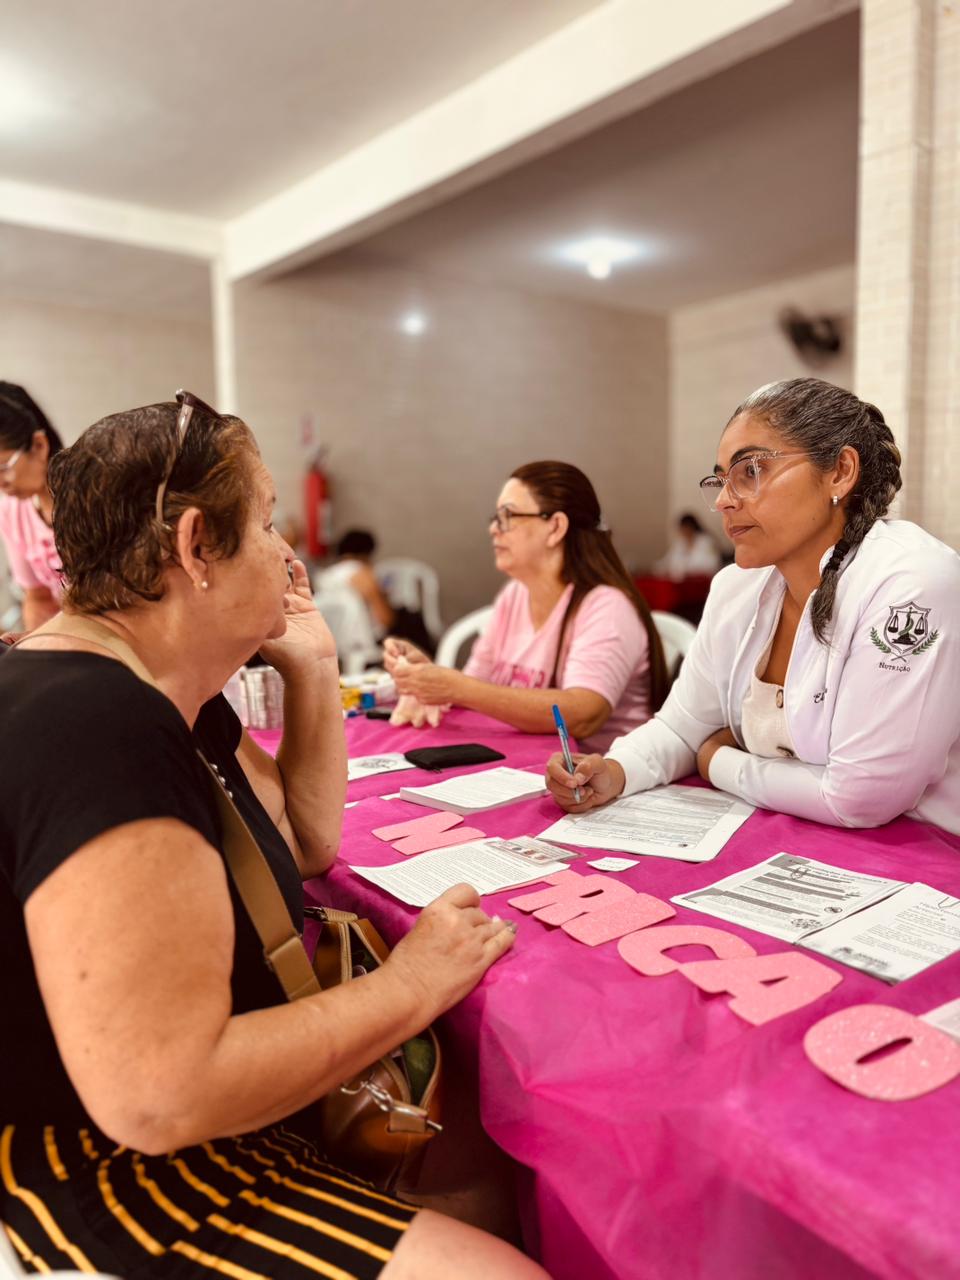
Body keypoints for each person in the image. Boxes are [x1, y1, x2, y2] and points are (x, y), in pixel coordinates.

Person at [0, 393, 548, 1280]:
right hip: (89, 1162)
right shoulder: (103, 727)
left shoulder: (156, 692)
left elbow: (302, 848)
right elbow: (159, 1100)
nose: (289, 555)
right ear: (195, 548)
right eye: (263, 523)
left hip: (147, 1120)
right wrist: (409, 988)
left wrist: (315, 666)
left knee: (482, 1176)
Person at [546, 378, 960, 835]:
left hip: (925, 854)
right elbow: (683, 727)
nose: (723, 501)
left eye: (750, 471)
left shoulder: (911, 583)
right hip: (791, 834)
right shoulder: (736, 587)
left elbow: (861, 798)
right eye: (720, 479)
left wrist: (718, 760)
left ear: (840, 471)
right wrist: (615, 771)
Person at [384, 461, 668, 752]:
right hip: (524, 764)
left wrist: (456, 686)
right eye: (495, 518)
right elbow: (477, 689)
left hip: (599, 779)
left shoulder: (607, 607)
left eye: (507, 516)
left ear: (555, 527)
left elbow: (583, 715)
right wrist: (430, 679)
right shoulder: (515, 595)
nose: (494, 529)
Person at [0, 383, 65, 629]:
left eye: (3, 469)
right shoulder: (12, 511)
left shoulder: (91, 499)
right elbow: (38, 598)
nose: (0, 484)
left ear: (39, 445)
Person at [317, 528, 395, 635]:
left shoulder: (324, 576)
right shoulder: (363, 574)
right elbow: (386, 619)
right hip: (360, 643)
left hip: (327, 640)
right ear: (366, 553)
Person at [652, 512, 722, 582]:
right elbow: (667, 561)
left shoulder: (706, 541)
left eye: (686, 527)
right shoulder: (680, 543)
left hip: (701, 582)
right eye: (682, 528)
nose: (684, 531)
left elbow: (712, 565)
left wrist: (686, 570)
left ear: (692, 527)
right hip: (682, 582)